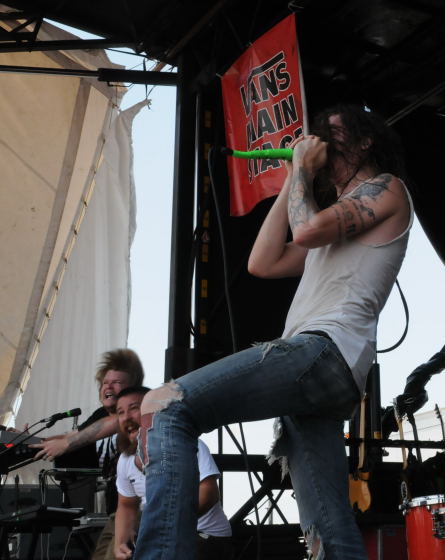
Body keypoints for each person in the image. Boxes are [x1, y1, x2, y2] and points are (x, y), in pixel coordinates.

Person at [133, 103, 413, 560]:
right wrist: (290, 181)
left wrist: (301, 169)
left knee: (164, 405)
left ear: (365, 141)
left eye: (332, 133)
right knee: (328, 526)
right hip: (326, 373)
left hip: (323, 352)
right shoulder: (333, 223)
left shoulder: (387, 188)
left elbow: (305, 231)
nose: (320, 141)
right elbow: (261, 262)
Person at [30, 349, 145, 560]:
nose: (108, 387)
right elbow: (75, 435)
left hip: (140, 507)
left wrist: (67, 444)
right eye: (104, 383)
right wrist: (27, 440)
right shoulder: (100, 415)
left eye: (116, 382)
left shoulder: (140, 412)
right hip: (117, 509)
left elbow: (108, 425)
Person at [111, 387, 232, 560]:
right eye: (120, 412)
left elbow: (208, 492)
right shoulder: (125, 460)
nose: (126, 417)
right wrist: (120, 542)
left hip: (205, 535)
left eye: (134, 408)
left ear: (154, 411)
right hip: (159, 536)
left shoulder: (187, 444)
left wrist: (166, 526)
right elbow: (126, 505)